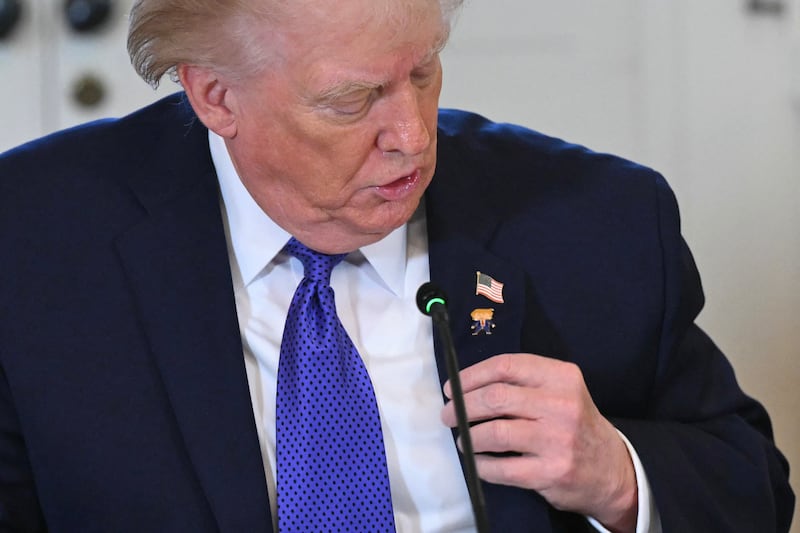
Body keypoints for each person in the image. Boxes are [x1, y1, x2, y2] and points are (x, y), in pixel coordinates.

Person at [0, 0, 793, 531]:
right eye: (353, 100)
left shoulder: (596, 222)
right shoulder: (35, 242)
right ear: (214, 98)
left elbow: (753, 489)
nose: (413, 134)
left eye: (423, 71)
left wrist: (616, 473)